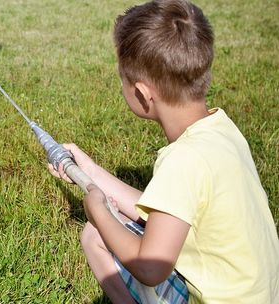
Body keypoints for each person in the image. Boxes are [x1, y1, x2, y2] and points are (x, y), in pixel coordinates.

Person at [49, 0, 279, 303]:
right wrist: (90, 171)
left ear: (143, 94)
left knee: (95, 234)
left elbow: (149, 267)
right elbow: (160, 208)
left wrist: (98, 213)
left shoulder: (182, 161)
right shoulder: (219, 128)